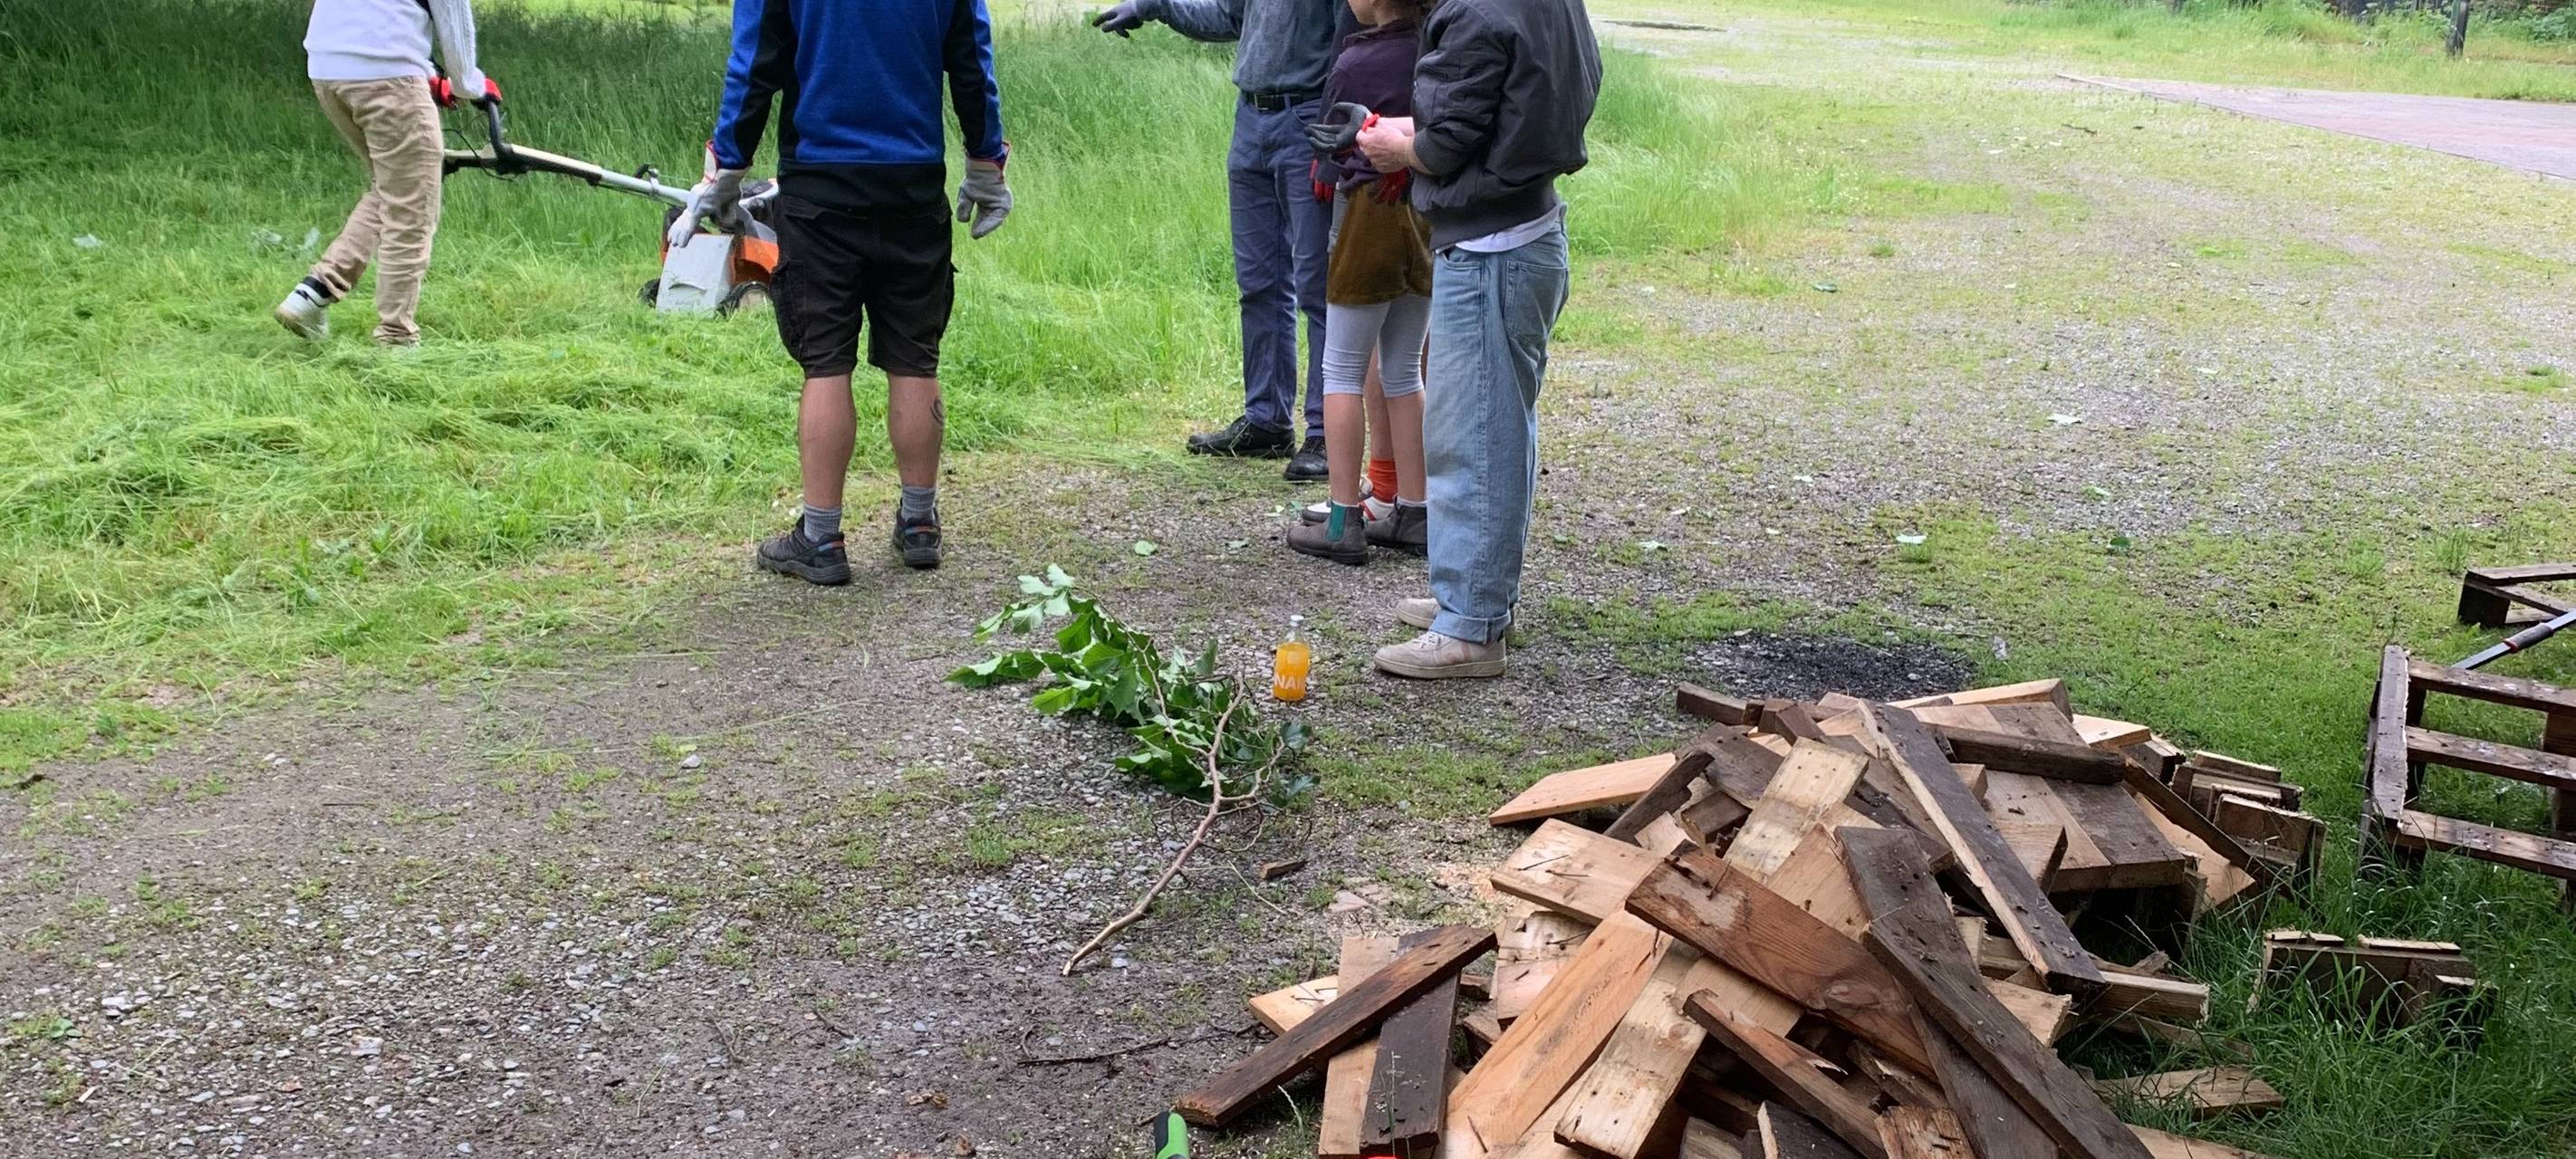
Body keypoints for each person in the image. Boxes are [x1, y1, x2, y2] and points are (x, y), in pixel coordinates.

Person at [671, 0, 1013, 584]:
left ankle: (822, 538)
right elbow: (970, 59)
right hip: (912, 182)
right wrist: (986, 160)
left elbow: (755, 63)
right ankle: (920, 524)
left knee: (826, 362)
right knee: (914, 356)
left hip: (820, 186)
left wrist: (727, 168)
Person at [1353, 0, 1599, 678]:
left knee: (1471, 439)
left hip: (1491, 252)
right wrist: (1426, 132)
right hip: (1529, 233)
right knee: (1498, 431)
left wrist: (1399, 146)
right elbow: (1511, 108)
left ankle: (1470, 630)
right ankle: (1477, 599)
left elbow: (1445, 146)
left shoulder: (1473, 14)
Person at [1091, 0, 1349, 483]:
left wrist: (1335, 138)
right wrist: (1156, 6)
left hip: (1309, 119)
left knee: (1319, 286)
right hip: (1251, 119)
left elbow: (1351, 43)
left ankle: (1326, 432)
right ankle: (1267, 420)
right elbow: (1229, 19)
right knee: (1260, 282)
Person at [1284, 0, 1431, 565]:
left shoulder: (1354, 64)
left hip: (1368, 212)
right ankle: (1415, 511)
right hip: (1423, 215)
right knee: (1403, 368)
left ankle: (1343, 518)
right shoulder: (1434, 51)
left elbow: (1326, 151)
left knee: (1341, 369)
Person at [275, 0, 498, 346]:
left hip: (328, 68)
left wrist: (425, 74)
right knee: (412, 210)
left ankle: (313, 293)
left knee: (393, 189)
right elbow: (453, 19)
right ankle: (397, 339)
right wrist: (470, 85)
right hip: (385, 74)